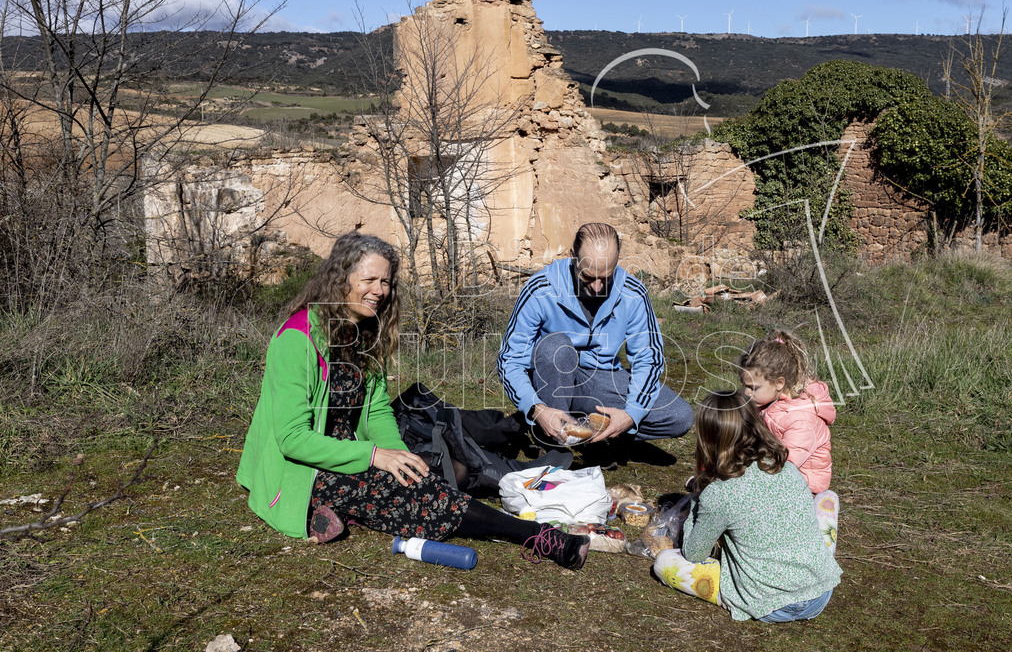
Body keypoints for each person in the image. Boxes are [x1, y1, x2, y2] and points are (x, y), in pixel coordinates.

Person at [236, 231, 588, 569]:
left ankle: (338, 511)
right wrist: (376, 457)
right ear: (341, 279)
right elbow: (292, 438)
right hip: (303, 468)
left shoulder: (363, 335)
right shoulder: (297, 340)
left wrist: (396, 455)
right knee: (416, 493)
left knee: (436, 469)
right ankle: (539, 537)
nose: (380, 291)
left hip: (349, 451)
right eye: (369, 280)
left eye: (386, 282)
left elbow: (375, 409)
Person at [496, 223, 693, 448]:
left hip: (601, 379)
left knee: (679, 416)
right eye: (588, 277)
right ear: (573, 258)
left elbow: (648, 358)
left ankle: (591, 434)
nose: (598, 287)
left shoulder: (633, 294)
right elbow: (509, 360)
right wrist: (535, 408)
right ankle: (551, 439)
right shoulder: (540, 289)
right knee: (555, 347)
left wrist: (631, 415)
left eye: (606, 277)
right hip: (551, 379)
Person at [652, 391, 841, 623]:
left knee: (663, 562)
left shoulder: (718, 494)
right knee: (825, 497)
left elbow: (693, 553)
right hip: (821, 592)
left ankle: (736, 595)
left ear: (708, 439)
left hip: (771, 604)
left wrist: (698, 496)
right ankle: (822, 554)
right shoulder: (786, 468)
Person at [738, 329, 836, 495]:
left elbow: (786, 462)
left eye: (753, 388)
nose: (746, 393)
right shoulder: (766, 402)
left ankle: (822, 511)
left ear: (779, 383)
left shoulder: (800, 420)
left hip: (802, 488)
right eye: (744, 385)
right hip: (771, 474)